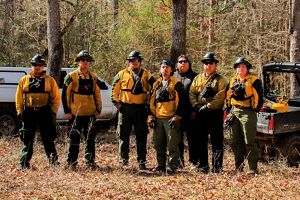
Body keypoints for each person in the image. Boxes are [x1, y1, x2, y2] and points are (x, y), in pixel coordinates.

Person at [111, 50, 155, 170]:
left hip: (140, 110)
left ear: (140, 62)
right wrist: (117, 104)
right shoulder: (121, 74)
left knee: (141, 136)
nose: (133, 63)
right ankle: (123, 161)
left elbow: (156, 86)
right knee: (123, 135)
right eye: (131, 61)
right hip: (125, 109)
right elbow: (114, 91)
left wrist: (150, 105)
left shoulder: (147, 74)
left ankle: (142, 161)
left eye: (135, 60)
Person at [16, 54, 60, 169]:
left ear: (43, 66)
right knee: (27, 139)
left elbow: (56, 97)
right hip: (29, 113)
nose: (37, 67)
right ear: (31, 66)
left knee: (48, 139)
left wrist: (53, 111)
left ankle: (54, 163)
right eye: (35, 65)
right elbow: (18, 97)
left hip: (44, 112)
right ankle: (23, 163)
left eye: (40, 65)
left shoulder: (50, 80)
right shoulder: (24, 80)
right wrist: (19, 110)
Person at [62, 50, 102, 170]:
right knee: (74, 139)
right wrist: (67, 111)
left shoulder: (94, 77)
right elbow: (65, 95)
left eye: (87, 60)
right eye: (82, 60)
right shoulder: (71, 76)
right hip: (75, 114)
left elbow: (97, 95)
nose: (85, 62)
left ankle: (90, 161)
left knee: (90, 139)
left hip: (90, 114)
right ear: (78, 61)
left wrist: (98, 110)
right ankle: (72, 162)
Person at [189, 52, 227, 173]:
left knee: (216, 141)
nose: (208, 65)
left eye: (211, 63)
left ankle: (217, 167)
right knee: (201, 140)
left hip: (214, 113)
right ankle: (203, 166)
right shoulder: (197, 78)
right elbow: (191, 93)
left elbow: (221, 96)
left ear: (215, 65)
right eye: (206, 63)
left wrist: (208, 106)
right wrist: (196, 105)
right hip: (200, 113)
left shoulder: (221, 80)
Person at [226, 56, 263, 175]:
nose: (240, 69)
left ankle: (253, 168)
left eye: (243, 66)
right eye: (238, 67)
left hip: (248, 111)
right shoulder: (232, 80)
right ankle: (239, 166)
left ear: (247, 68)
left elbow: (259, 97)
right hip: (234, 111)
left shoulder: (254, 80)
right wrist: (228, 110)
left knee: (249, 140)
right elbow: (228, 96)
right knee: (235, 141)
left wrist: (254, 110)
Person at [150, 59, 185, 175]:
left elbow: (182, 101)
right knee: (158, 143)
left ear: (171, 70)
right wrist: (151, 116)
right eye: (163, 67)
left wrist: (178, 116)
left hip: (171, 118)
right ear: (160, 69)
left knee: (172, 143)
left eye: (167, 67)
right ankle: (160, 165)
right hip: (158, 118)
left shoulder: (177, 83)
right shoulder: (156, 84)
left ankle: (171, 165)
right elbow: (150, 101)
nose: (165, 69)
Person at [173, 55, 198, 167]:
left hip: (190, 113)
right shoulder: (173, 76)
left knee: (192, 138)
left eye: (185, 61)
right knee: (177, 139)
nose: (182, 63)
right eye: (180, 62)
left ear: (189, 63)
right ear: (177, 64)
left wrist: (195, 111)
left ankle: (193, 161)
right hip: (176, 113)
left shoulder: (195, 77)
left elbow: (198, 95)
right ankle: (179, 161)